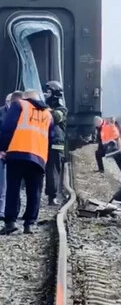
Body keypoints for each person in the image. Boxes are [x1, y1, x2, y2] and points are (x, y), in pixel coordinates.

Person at [0, 89, 55, 235]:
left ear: (25, 98)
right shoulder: (48, 114)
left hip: (16, 153)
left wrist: (3, 148)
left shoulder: (19, 105)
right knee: (34, 191)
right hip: (38, 157)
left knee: (13, 189)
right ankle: (29, 224)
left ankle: (10, 222)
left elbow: (7, 128)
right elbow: (51, 138)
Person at [43, 81, 68, 206]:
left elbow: (54, 118)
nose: (45, 94)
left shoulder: (61, 109)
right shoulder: (44, 106)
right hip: (43, 140)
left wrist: (44, 109)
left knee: (53, 169)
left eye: (48, 92)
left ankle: (52, 196)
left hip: (56, 142)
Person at [0, 91, 22, 220]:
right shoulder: (1, 113)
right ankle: (2, 211)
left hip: (16, 152)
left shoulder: (22, 113)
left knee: (15, 184)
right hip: (3, 153)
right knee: (2, 185)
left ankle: (15, 211)